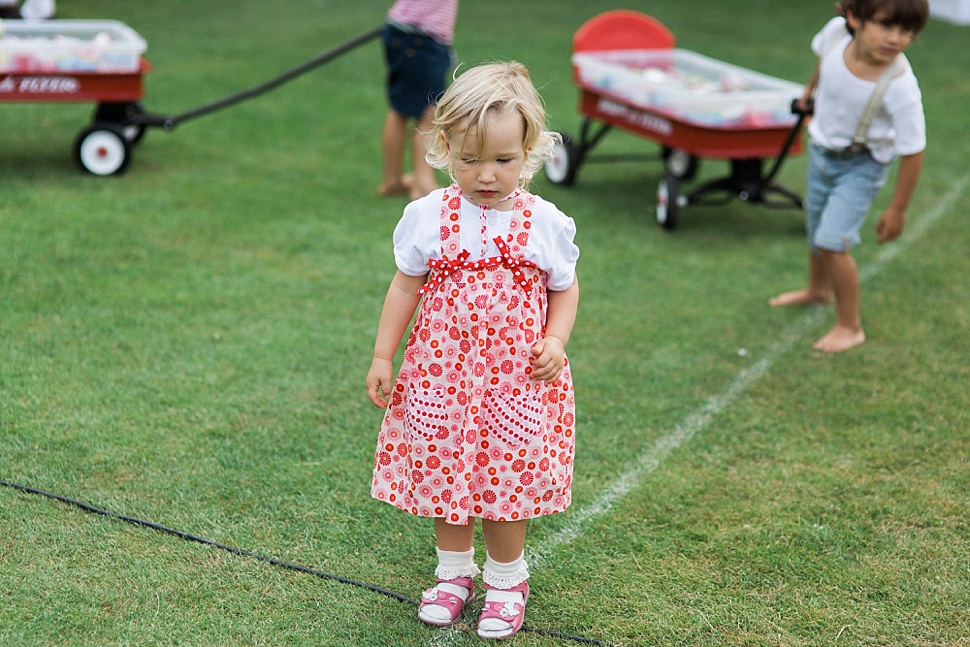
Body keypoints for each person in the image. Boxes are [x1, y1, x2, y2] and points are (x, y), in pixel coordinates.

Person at [366, 61, 580, 639]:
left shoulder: (544, 224)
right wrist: (384, 355)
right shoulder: (429, 215)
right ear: (445, 146)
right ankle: (453, 573)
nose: (486, 175)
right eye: (469, 159)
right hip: (440, 376)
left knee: (505, 478)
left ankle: (507, 581)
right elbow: (404, 285)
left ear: (530, 149)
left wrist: (555, 339)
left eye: (503, 161)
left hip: (515, 380)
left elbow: (564, 287)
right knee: (442, 468)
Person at [770, 0, 928, 352]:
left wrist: (898, 210)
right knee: (815, 227)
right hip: (822, 152)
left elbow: (913, 149)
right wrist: (809, 92)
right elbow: (823, 62)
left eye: (906, 31)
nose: (896, 38)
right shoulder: (834, 35)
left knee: (831, 241)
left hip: (861, 166)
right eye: (886, 25)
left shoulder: (899, 85)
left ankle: (850, 326)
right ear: (855, 18)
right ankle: (817, 291)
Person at [378, 0, 458, 200]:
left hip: (407, 33)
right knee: (429, 112)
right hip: (420, 37)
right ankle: (423, 184)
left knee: (399, 109)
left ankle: (392, 180)